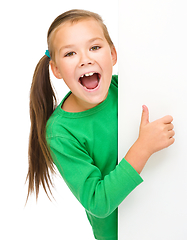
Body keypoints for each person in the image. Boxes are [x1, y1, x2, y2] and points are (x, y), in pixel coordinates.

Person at [26, 9, 175, 240]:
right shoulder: (60, 133)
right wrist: (143, 147)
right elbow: (97, 201)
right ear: (55, 69)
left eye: (95, 47)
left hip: (165, 218)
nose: (85, 59)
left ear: (113, 54)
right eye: (70, 53)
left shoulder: (126, 88)